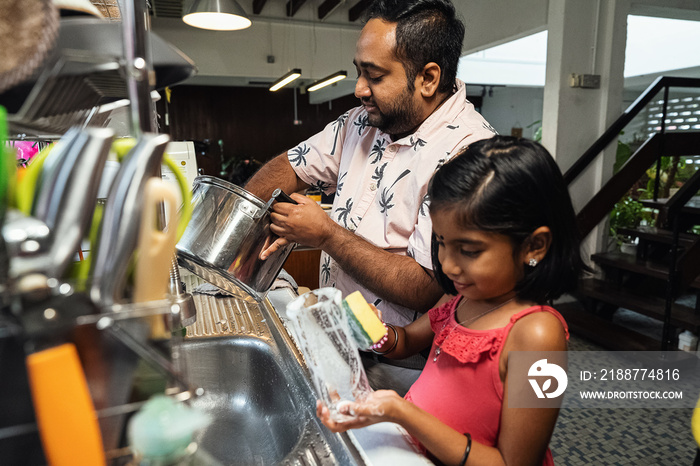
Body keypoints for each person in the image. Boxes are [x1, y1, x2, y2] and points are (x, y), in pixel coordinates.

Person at [244, 0, 496, 395]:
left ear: (428, 78)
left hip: (405, 366)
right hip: (341, 340)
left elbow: (425, 285)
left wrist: (327, 235)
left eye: (374, 76)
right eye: (359, 71)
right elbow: (292, 166)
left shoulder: (470, 153)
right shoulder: (363, 121)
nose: (360, 88)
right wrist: (238, 220)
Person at [317, 136, 586, 466]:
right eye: (441, 242)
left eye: (470, 251)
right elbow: (406, 341)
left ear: (534, 246)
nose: (448, 264)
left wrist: (403, 413)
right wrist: (378, 334)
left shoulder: (538, 336)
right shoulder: (461, 297)